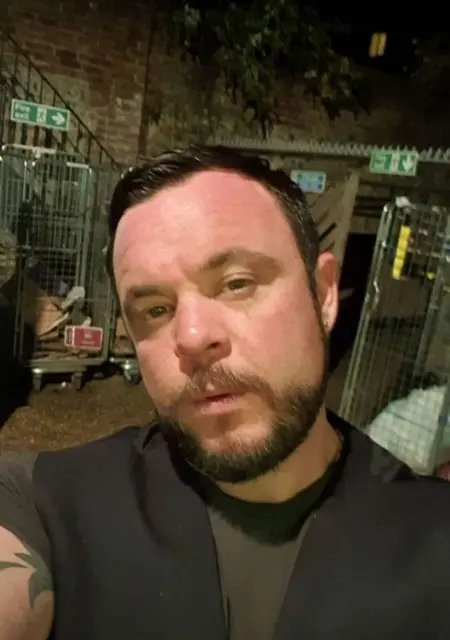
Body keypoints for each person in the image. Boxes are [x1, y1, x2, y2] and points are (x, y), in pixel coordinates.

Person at [0, 146, 449, 640]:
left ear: (323, 295)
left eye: (237, 284)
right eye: (154, 310)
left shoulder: (432, 537)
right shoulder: (45, 502)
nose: (192, 337)